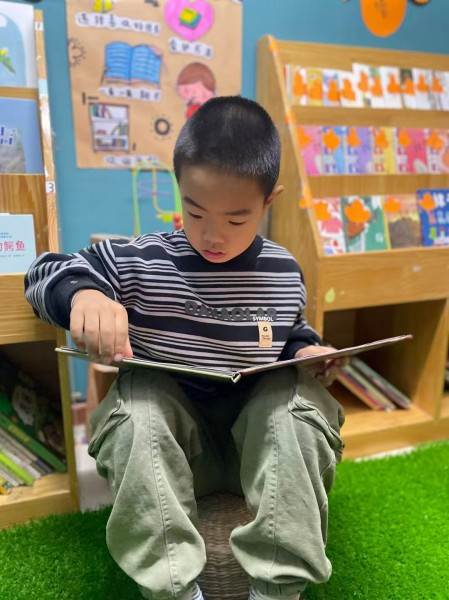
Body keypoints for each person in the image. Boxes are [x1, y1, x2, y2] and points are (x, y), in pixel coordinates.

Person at [24, 96, 345, 600]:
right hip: (170, 458)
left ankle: (277, 589)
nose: (213, 235)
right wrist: (83, 295)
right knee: (140, 402)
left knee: (294, 403)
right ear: (179, 187)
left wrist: (308, 354)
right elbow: (43, 272)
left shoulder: (284, 271)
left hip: (258, 455)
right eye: (195, 211)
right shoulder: (142, 261)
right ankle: (173, 590)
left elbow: (291, 332)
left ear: (269, 201)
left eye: (236, 220)